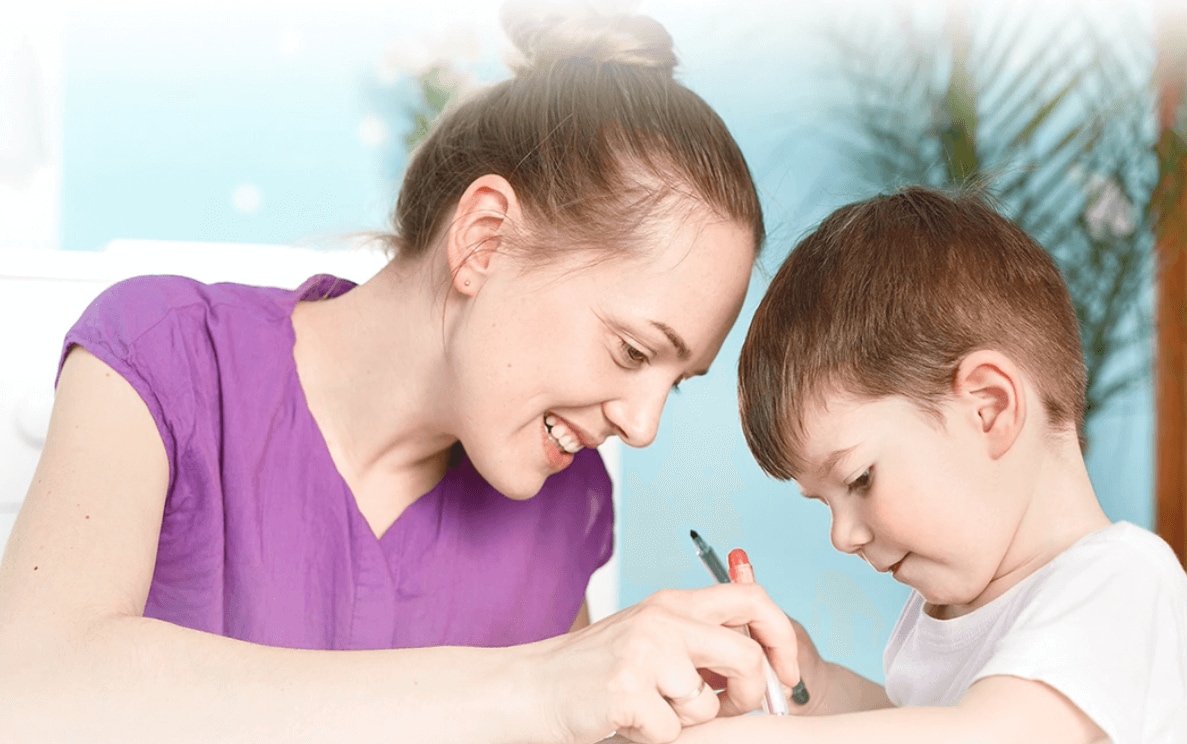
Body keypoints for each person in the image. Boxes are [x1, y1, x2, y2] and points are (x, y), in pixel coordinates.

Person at [0, 6, 800, 743]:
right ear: (485, 239)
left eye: (677, 379)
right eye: (631, 351)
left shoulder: (564, 506)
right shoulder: (166, 356)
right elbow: (32, 688)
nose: (645, 424)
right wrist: (539, 686)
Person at [672, 186, 1187, 743]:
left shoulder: (1122, 584)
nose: (842, 536)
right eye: (826, 502)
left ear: (988, 409)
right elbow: (925, 722)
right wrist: (815, 688)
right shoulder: (945, 613)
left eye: (859, 479)